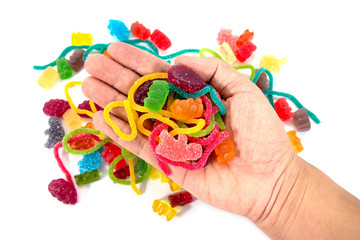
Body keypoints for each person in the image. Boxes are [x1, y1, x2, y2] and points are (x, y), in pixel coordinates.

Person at [82, 42, 360, 239]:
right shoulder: (163, 111)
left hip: (199, 136)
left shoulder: (209, 113)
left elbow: (211, 109)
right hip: (171, 126)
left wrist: (285, 190)